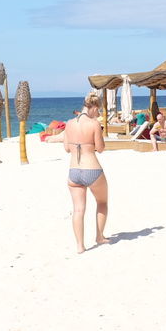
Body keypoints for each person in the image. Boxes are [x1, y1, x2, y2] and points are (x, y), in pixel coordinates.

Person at [63, 91, 109, 253]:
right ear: (94, 107)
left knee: (78, 210)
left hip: (74, 170)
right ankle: (99, 236)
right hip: (92, 169)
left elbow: (67, 148)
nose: (98, 113)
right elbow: (101, 148)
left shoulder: (69, 123)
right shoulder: (94, 123)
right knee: (102, 202)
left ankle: (80, 246)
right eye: (98, 110)